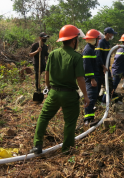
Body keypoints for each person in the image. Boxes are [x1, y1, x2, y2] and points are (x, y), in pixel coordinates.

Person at [30, 25, 90, 154]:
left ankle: (37, 145)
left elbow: (47, 73)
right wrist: (85, 95)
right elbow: (80, 79)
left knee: (44, 117)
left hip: (54, 93)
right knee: (69, 122)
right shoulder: (76, 57)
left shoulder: (53, 54)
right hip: (69, 95)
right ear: (74, 41)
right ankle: (66, 150)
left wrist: (48, 88)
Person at [82, 29, 102, 125]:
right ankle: (87, 120)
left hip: (94, 77)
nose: (99, 42)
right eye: (98, 40)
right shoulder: (88, 50)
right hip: (90, 79)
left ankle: (90, 117)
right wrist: (92, 79)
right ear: (94, 39)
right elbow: (87, 67)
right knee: (90, 97)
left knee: (93, 97)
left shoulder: (91, 49)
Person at [95, 27, 118, 104]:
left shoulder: (107, 43)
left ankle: (104, 102)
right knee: (98, 87)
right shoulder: (101, 42)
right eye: (112, 34)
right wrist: (103, 66)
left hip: (106, 68)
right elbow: (98, 56)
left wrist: (115, 48)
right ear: (107, 34)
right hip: (100, 68)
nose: (112, 36)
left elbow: (108, 54)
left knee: (109, 85)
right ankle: (95, 102)